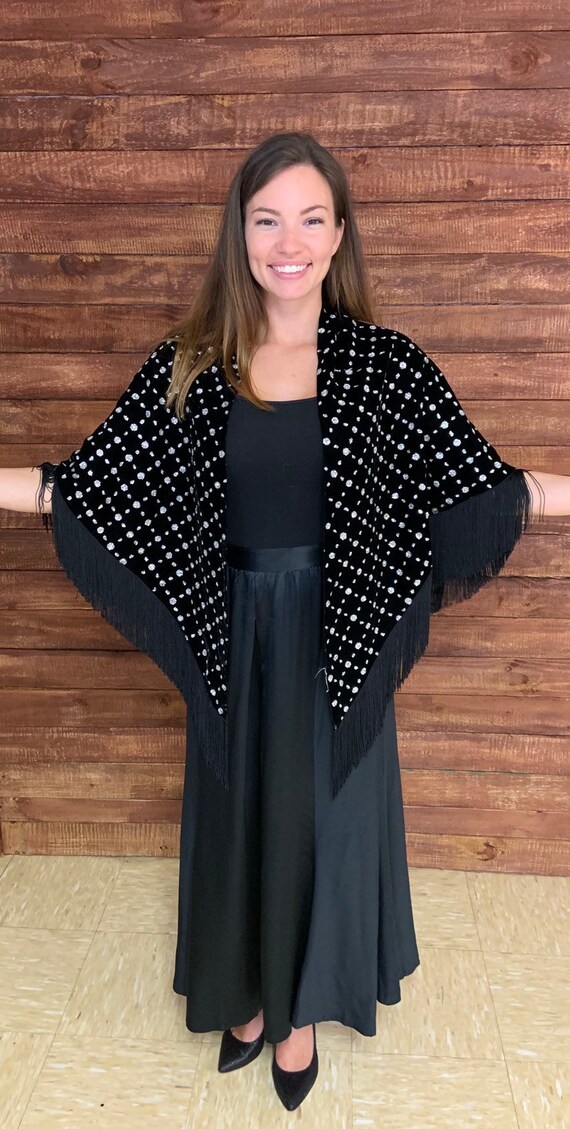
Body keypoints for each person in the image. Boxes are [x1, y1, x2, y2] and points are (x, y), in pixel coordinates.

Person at [2, 131, 568, 1114]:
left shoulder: (385, 367)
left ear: (340, 233)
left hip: (339, 630)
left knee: (323, 821)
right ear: (241, 233)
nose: (289, 241)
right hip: (233, 636)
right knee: (237, 817)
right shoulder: (192, 364)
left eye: (311, 218)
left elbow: (484, 482)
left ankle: (299, 1012)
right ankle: (246, 999)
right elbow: (87, 487)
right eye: (267, 220)